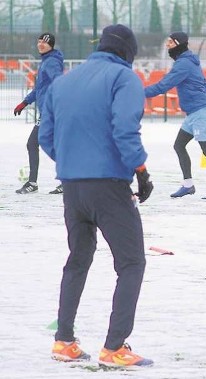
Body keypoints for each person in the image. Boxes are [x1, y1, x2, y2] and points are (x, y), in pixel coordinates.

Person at [39, 24, 154, 367]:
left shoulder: (63, 81)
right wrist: (141, 171)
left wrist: (74, 162)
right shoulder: (124, 78)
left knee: (78, 258)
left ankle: (63, 341)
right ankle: (115, 347)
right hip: (109, 187)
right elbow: (124, 128)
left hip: (73, 188)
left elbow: (46, 134)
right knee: (131, 263)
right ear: (127, 52)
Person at [144, 31, 206, 200]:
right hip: (194, 113)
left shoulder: (184, 64)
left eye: (170, 42)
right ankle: (188, 185)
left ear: (178, 44)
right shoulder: (189, 61)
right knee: (179, 145)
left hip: (199, 113)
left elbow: (163, 85)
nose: (167, 45)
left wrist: (138, 92)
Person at [13, 32, 64, 194]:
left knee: (34, 143)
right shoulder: (46, 62)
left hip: (51, 111)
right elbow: (39, 89)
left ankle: (34, 182)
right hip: (49, 110)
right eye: (39, 41)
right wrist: (25, 102)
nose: (41, 44)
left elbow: (58, 83)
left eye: (45, 42)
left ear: (51, 45)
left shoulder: (51, 63)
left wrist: (54, 105)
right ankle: (67, 179)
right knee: (53, 145)